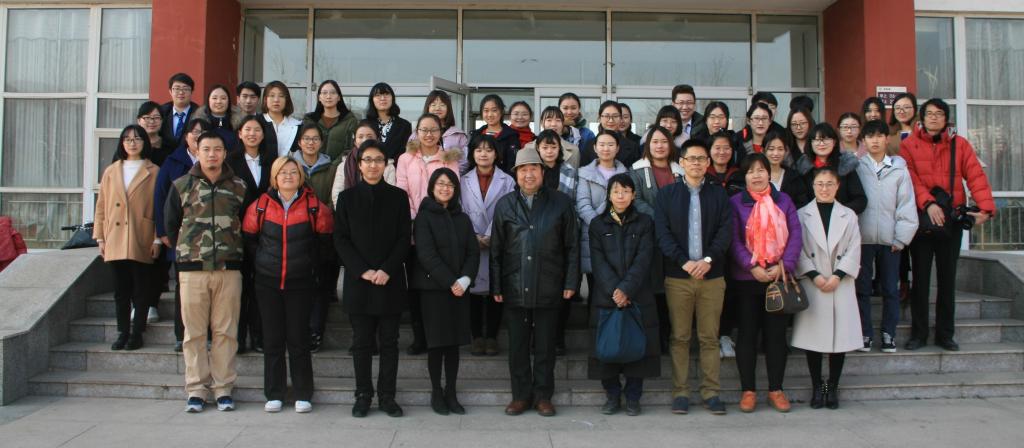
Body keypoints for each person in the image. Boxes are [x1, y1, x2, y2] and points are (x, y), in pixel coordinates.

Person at [902, 98, 996, 352]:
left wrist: (985, 208)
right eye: (929, 113)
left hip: (951, 221)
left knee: (947, 279)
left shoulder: (959, 144)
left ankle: (945, 334)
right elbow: (911, 179)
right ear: (921, 118)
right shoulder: (909, 145)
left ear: (946, 119)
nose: (934, 117)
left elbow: (975, 176)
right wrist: (928, 204)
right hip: (922, 221)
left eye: (939, 114)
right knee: (920, 280)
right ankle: (919, 334)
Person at [491, 149, 579, 417]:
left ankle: (543, 396)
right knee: (517, 347)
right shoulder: (505, 204)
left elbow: (572, 246)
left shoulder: (561, 203)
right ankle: (520, 396)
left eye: (533, 169)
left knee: (545, 346)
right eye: (523, 169)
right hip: (514, 284)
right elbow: (496, 250)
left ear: (543, 172)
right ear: (516, 174)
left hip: (549, 283)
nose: (528, 174)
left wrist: (570, 281)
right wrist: (496, 286)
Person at [242, 157, 334, 414]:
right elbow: (249, 239)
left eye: (293, 172)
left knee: (298, 338)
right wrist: (263, 262)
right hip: (267, 282)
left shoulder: (314, 206)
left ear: (300, 177)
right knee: (272, 339)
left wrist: (310, 266)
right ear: (274, 177)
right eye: (282, 172)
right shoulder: (260, 205)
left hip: (300, 282)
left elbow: (325, 243)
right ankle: (275, 393)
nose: (288, 176)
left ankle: (303, 393)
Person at [164, 131, 247, 413]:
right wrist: (187, 253)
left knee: (226, 332)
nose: (212, 154)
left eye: (217, 149)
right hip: (192, 271)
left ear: (225, 153)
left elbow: (246, 225)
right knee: (194, 334)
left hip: (228, 269)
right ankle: (196, 389)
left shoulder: (239, 186)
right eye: (206, 149)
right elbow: (171, 224)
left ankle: (223, 389)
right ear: (197, 152)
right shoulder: (181, 185)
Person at [653, 139, 734, 415]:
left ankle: (711, 393)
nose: (696, 163)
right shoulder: (667, 195)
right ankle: (681, 392)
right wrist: (684, 262)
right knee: (680, 337)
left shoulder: (719, 195)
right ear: (682, 163)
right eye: (691, 159)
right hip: (678, 277)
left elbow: (725, 232)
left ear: (708, 163)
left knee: (709, 337)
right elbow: (662, 234)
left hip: (712, 277)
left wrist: (707, 260)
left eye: (701, 159)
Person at [334, 140, 411, 418]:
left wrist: (387, 269)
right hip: (360, 281)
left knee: (389, 342)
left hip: (390, 280)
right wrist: (361, 270)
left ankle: (387, 396)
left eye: (379, 160)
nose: (373, 165)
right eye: (367, 160)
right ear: (359, 164)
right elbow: (340, 239)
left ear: (386, 164)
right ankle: (363, 394)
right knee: (362, 342)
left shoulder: (398, 197)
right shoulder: (347, 198)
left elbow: (404, 237)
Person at [729, 153, 802, 413]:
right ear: (745, 177)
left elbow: (796, 234)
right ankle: (748, 390)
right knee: (747, 335)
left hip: (778, 278)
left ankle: (776, 389)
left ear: (769, 173)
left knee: (776, 337)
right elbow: (733, 240)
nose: (756, 175)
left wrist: (785, 265)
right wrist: (751, 266)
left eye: (761, 170)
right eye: (751, 171)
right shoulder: (736, 203)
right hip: (747, 279)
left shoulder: (784, 201)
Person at [588, 173, 660, 417]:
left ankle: (633, 397)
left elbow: (644, 258)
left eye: (626, 191)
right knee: (606, 348)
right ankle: (611, 396)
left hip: (637, 294)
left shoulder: (645, 223)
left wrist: (626, 289)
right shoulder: (598, 225)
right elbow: (598, 262)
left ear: (633, 195)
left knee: (637, 348)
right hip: (606, 297)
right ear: (609, 195)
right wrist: (615, 290)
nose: (621, 196)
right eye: (616, 191)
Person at [792, 167, 863, 410]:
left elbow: (854, 248)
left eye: (829, 184)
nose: (824, 188)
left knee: (838, 341)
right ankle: (817, 386)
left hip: (840, 283)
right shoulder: (801, 215)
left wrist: (838, 275)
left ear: (837, 186)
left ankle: (832, 387)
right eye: (820, 184)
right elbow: (798, 249)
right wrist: (814, 275)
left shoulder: (849, 215)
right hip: (814, 282)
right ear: (813, 186)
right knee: (814, 340)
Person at [413, 168, 480, 415]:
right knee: (437, 344)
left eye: (450, 185)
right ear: (432, 187)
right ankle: (436, 392)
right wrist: (452, 281)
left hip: (460, 289)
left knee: (453, 345)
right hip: (434, 290)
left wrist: (465, 279)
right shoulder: (424, 217)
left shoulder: (462, 218)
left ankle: (451, 391)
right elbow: (426, 254)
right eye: (440, 184)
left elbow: (473, 252)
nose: (445, 188)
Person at [397, 113, 463, 355]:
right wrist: (417, 219)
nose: (428, 134)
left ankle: (439, 335)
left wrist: (432, 222)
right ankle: (419, 337)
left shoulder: (449, 159)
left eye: (433, 129)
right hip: (413, 228)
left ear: (440, 132)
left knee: (437, 283)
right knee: (416, 285)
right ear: (416, 132)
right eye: (423, 129)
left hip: (441, 231)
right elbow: (402, 191)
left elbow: (452, 192)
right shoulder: (405, 158)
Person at [94, 124, 160, 351]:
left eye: (137, 138)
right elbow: (101, 206)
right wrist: (100, 237)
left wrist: (157, 239)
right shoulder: (111, 171)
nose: (132, 143)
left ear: (145, 142)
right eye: (128, 139)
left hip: (141, 233)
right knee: (121, 290)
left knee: (141, 288)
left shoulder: (154, 171)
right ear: (122, 143)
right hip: (115, 235)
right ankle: (122, 331)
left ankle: (137, 332)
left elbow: (158, 207)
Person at [855, 120, 918, 353]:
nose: (875, 140)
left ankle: (888, 333)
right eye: (870, 136)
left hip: (890, 240)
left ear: (887, 139)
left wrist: (901, 238)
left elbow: (906, 204)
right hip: (863, 239)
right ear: (863, 140)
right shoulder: (857, 167)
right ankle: (865, 333)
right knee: (862, 288)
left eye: (879, 136)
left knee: (890, 289)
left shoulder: (899, 169)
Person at [154, 117, 212, 352]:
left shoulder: (217, 161)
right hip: (183, 238)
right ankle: (182, 333)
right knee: (184, 288)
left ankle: (208, 334)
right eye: (194, 132)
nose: (198, 136)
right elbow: (161, 197)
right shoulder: (174, 161)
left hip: (212, 239)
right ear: (186, 136)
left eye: (203, 132)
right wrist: (163, 232)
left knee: (209, 289)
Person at [461, 134, 516, 357]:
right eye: (479, 150)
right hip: (471, 241)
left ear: (496, 154)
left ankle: (492, 337)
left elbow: (509, 209)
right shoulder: (463, 180)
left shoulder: (508, 181)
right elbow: (459, 210)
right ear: (472, 154)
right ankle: (476, 337)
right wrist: (473, 236)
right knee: (473, 290)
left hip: (497, 240)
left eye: (488, 150)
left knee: (495, 289)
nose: (483, 154)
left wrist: (491, 235)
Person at [629, 126, 683, 353]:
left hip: (677, 240)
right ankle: (654, 340)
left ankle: (673, 338)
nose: (659, 146)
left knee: (674, 291)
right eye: (655, 141)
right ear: (647, 145)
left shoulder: (681, 171)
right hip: (649, 239)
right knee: (653, 291)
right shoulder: (637, 170)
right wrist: (660, 218)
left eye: (664, 141)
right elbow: (636, 199)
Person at [576, 130, 629, 354]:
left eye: (610, 144)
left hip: (622, 238)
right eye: (602, 144)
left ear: (617, 148)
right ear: (594, 148)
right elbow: (582, 205)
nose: (606, 148)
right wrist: (602, 224)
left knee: (619, 288)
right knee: (597, 290)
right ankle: (596, 341)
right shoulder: (584, 173)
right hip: (594, 237)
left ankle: (617, 339)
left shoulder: (626, 173)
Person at [226, 115, 274, 354]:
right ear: (240, 133)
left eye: (257, 130)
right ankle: (238, 336)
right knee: (239, 288)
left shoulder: (272, 160)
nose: (252, 134)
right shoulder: (230, 161)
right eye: (248, 130)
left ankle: (259, 335)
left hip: (266, 233)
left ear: (263, 134)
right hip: (236, 231)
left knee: (260, 288)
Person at [293, 123, 340, 353]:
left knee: (320, 285)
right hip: (296, 232)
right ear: (299, 142)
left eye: (315, 139)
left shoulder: (331, 168)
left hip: (322, 233)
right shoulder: (290, 166)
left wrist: (322, 217)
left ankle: (315, 331)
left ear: (321, 142)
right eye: (306, 139)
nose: (310, 143)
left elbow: (333, 198)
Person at [795, 123, 868, 214]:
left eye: (826, 139)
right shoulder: (804, 169)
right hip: (811, 218)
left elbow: (860, 200)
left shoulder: (845, 165)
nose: (821, 143)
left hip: (841, 218)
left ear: (834, 142)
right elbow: (799, 201)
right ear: (811, 143)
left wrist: (840, 212)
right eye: (817, 140)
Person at [331, 120, 398, 203]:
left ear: (377, 139)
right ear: (355, 141)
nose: (365, 140)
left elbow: (391, 196)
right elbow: (337, 197)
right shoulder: (343, 166)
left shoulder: (388, 166)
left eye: (369, 136)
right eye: (360, 137)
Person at [412, 90, 470, 173]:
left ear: (448, 108)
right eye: (433, 105)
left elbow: (464, 162)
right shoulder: (417, 134)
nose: (437, 108)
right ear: (428, 107)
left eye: (442, 105)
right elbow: (410, 159)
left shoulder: (458, 135)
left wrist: (451, 176)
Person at [303, 80, 358, 162]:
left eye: (333, 93)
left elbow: (350, 149)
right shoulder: (310, 120)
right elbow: (304, 145)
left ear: (339, 97)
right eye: (324, 93)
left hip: (339, 167)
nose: (328, 96)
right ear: (319, 98)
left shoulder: (349, 121)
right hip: (312, 167)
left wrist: (333, 166)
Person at [579, 101, 641, 167]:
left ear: (620, 118)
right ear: (599, 118)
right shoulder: (589, 145)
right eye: (606, 116)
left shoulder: (632, 147)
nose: (611, 120)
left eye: (615, 116)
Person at [470, 94, 521, 174]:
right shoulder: (476, 135)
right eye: (486, 110)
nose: (490, 114)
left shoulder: (511, 136)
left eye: (494, 110)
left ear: (501, 111)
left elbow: (512, 165)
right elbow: (470, 161)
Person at [764, 130, 811, 208]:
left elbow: (802, 204)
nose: (776, 153)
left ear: (786, 151)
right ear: (763, 151)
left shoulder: (794, 177)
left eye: (780, 149)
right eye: (771, 149)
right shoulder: (757, 176)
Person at [367, 82, 413, 162]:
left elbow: (406, 152)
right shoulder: (365, 125)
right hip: (370, 166)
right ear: (372, 100)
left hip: (397, 167)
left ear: (392, 98)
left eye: (386, 94)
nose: (382, 98)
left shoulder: (404, 125)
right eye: (378, 95)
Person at [259, 81, 301, 157]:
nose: (276, 100)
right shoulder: (256, 122)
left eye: (281, 96)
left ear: (286, 100)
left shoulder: (297, 125)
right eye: (272, 95)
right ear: (265, 99)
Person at [195, 84, 241, 151]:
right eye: (214, 98)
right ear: (208, 100)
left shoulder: (240, 123)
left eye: (223, 98)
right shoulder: (198, 123)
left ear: (229, 101)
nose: (219, 101)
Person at [159, 72, 199, 148]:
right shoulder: (161, 112)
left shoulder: (200, 114)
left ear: (191, 92)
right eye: (177, 88)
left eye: (185, 89)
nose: (181, 92)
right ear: (170, 91)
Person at [137, 101, 175, 166]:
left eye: (156, 118)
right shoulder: (132, 145)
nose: (152, 121)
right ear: (138, 121)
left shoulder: (172, 146)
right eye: (147, 118)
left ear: (162, 120)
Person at [705, 131, 743, 196]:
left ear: (732, 150)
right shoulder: (702, 175)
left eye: (726, 148)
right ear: (709, 150)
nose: (722, 152)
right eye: (717, 148)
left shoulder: (739, 176)